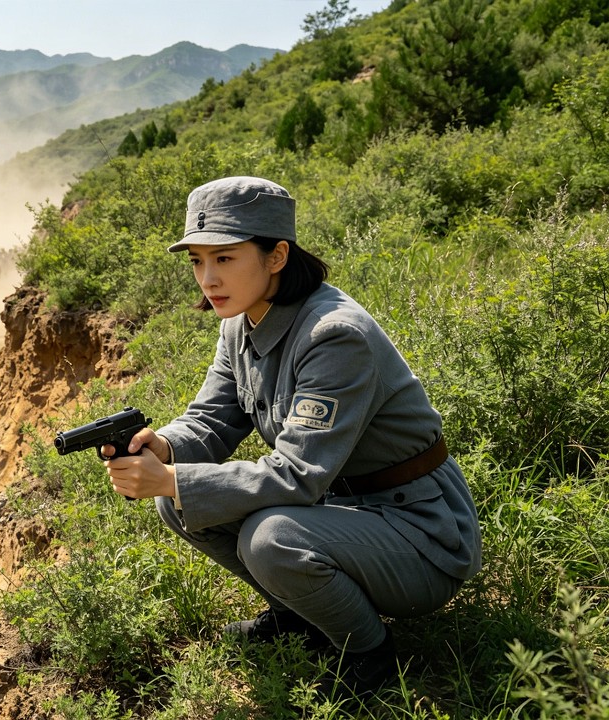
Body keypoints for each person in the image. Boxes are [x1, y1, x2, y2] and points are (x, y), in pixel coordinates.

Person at [101, 176, 482, 697]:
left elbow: (299, 474)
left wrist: (170, 478)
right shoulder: (241, 320)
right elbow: (212, 418)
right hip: (344, 512)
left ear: (277, 255)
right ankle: (301, 615)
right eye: (197, 261)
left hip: (418, 532)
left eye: (225, 258)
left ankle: (369, 656)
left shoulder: (334, 334)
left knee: (270, 537)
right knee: (181, 502)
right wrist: (162, 447)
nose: (207, 279)